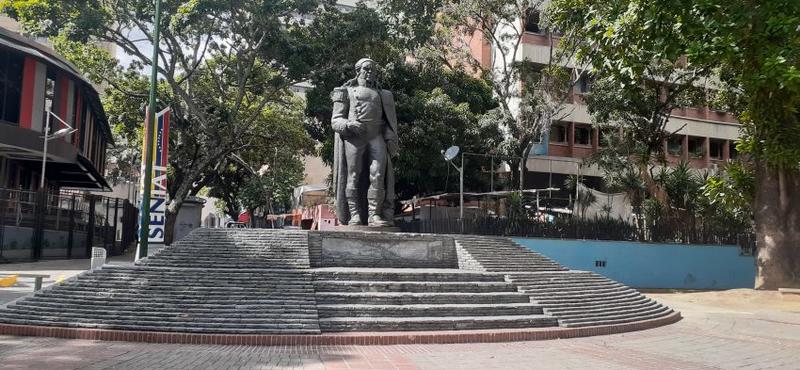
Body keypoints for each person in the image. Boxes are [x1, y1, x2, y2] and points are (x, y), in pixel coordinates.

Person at [330, 58, 399, 226]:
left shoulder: (384, 94)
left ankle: (374, 215)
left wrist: (390, 137)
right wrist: (349, 124)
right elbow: (335, 120)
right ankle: (354, 215)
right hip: (354, 137)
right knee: (353, 175)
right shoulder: (345, 91)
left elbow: (388, 121)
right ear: (358, 70)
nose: (370, 72)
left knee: (378, 175)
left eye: (373, 69)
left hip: (376, 136)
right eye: (367, 68)